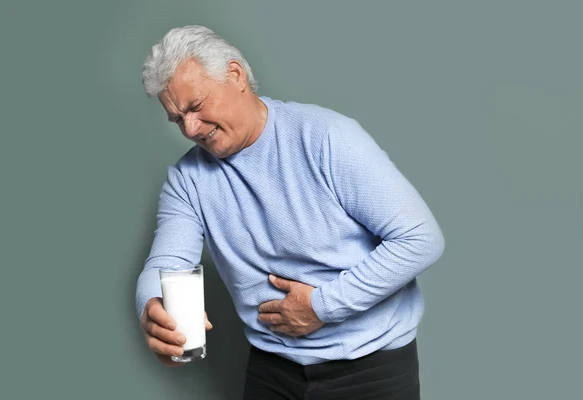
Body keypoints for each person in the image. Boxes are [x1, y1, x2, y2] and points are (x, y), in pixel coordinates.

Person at [136, 25, 445, 400]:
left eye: (196, 107)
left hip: (371, 366)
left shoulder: (327, 137)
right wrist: (152, 308)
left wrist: (322, 306)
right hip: (271, 369)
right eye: (177, 118)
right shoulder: (188, 179)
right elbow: (168, 262)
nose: (190, 128)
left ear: (235, 76)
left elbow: (420, 239)